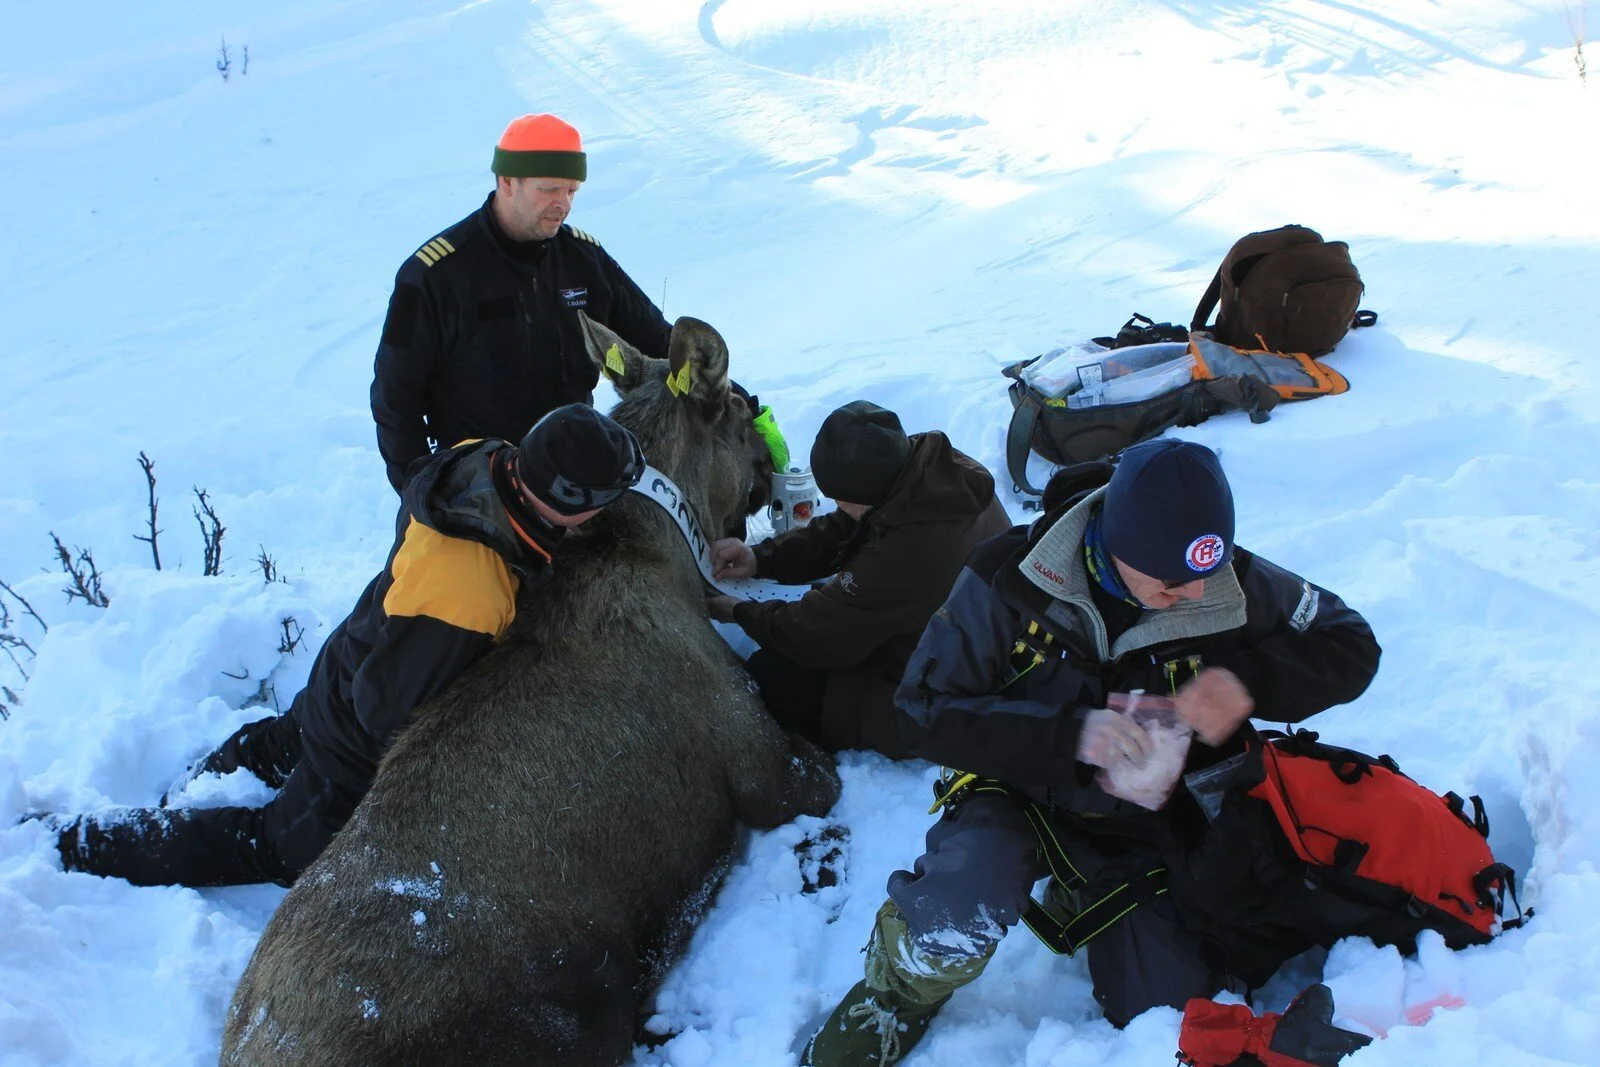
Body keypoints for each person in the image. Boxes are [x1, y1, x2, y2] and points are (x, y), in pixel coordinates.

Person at [800, 439, 1382, 1065]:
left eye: (1205, 576)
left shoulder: (1219, 575)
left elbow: (1349, 641)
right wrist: (1072, 734)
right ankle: (896, 996)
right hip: (1016, 788)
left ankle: (1093, 900)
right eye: (1170, 582)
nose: (1193, 596)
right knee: (958, 907)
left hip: (1146, 826)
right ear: (1113, 544)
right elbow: (921, 712)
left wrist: (1247, 683)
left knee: (1163, 1011)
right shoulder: (1008, 577)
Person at [48, 404, 645, 888]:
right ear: (571, 502)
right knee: (279, 849)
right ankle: (91, 845)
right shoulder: (470, 592)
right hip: (356, 736)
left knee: (285, 737)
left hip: (354, 649)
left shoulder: (481, 460)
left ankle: (189, 785)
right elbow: (386, 709)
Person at [369, 112, 672, 493]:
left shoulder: (584, 260)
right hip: (478, 487)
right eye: (550, 189)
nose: (563, 204)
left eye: (572, 191)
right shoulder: (435, 274)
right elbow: (395, 401)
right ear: (507, 182)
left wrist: (737, 399)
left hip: (575, 484)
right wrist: (422, 491)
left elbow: (661, 342)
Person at [705, 402, 1010, 759]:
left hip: (942, 697)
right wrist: (762, 557)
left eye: (840, 499)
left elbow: (815, 636)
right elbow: (846, 526)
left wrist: (741, 612)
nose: (835, 505)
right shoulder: (921, 469)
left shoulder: (906, 555)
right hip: (959, 632)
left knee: (773, 678)